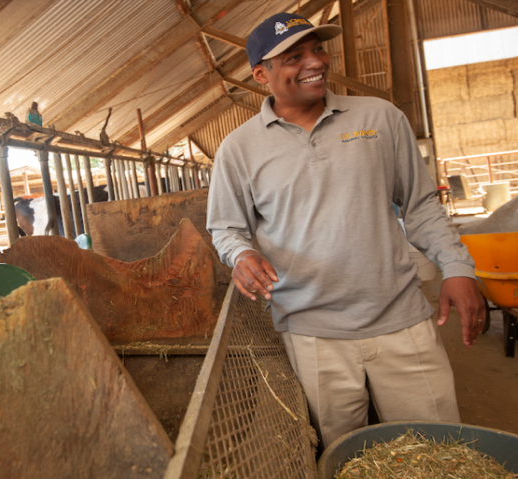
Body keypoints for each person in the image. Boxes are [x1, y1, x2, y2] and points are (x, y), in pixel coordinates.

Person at [206, 12, 486, 449]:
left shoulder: (380, 118)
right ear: (262, 74)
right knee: (346, 453)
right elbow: (225, 227)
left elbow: (420, 205)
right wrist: (241, 255)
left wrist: (457, 268)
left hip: (401, 319)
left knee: (438, 451)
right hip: (313, 332)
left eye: (317, 49)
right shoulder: (238, 150)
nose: (315, 62)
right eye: (294, 56)